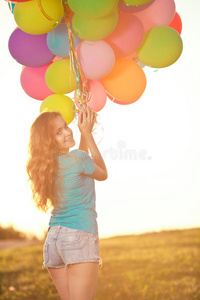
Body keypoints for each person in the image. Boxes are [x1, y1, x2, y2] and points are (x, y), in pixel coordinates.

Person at [26, 106, 108, 300]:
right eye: (58, 132)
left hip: (54, 240)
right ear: (49, 141)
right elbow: (102, 173)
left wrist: (81, 135)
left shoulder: (47, 167)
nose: (67, 131)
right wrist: (87, 133)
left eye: (65, 126)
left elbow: (80, 161)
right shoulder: (77, 160)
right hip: (79, 236)